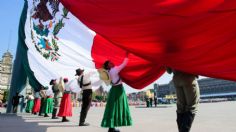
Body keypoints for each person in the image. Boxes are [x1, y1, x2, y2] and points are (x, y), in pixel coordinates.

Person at [101, 52, 132, 132]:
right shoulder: (115, 69)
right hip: (118, 89)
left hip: (113, 90)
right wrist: (126, 56)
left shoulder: (108, 72)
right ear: (108, 65)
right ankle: (112, 128)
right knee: (119, 107)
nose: (112, 63)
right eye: (110, 63)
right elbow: (124, 64)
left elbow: (107, 83)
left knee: (112, 108)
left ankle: (111, 127)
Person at [166, 68, 200, 132]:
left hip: (177, 80)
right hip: (188, 77)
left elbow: (169, 71)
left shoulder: (167, 57)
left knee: (181, 109)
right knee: (191, 107)